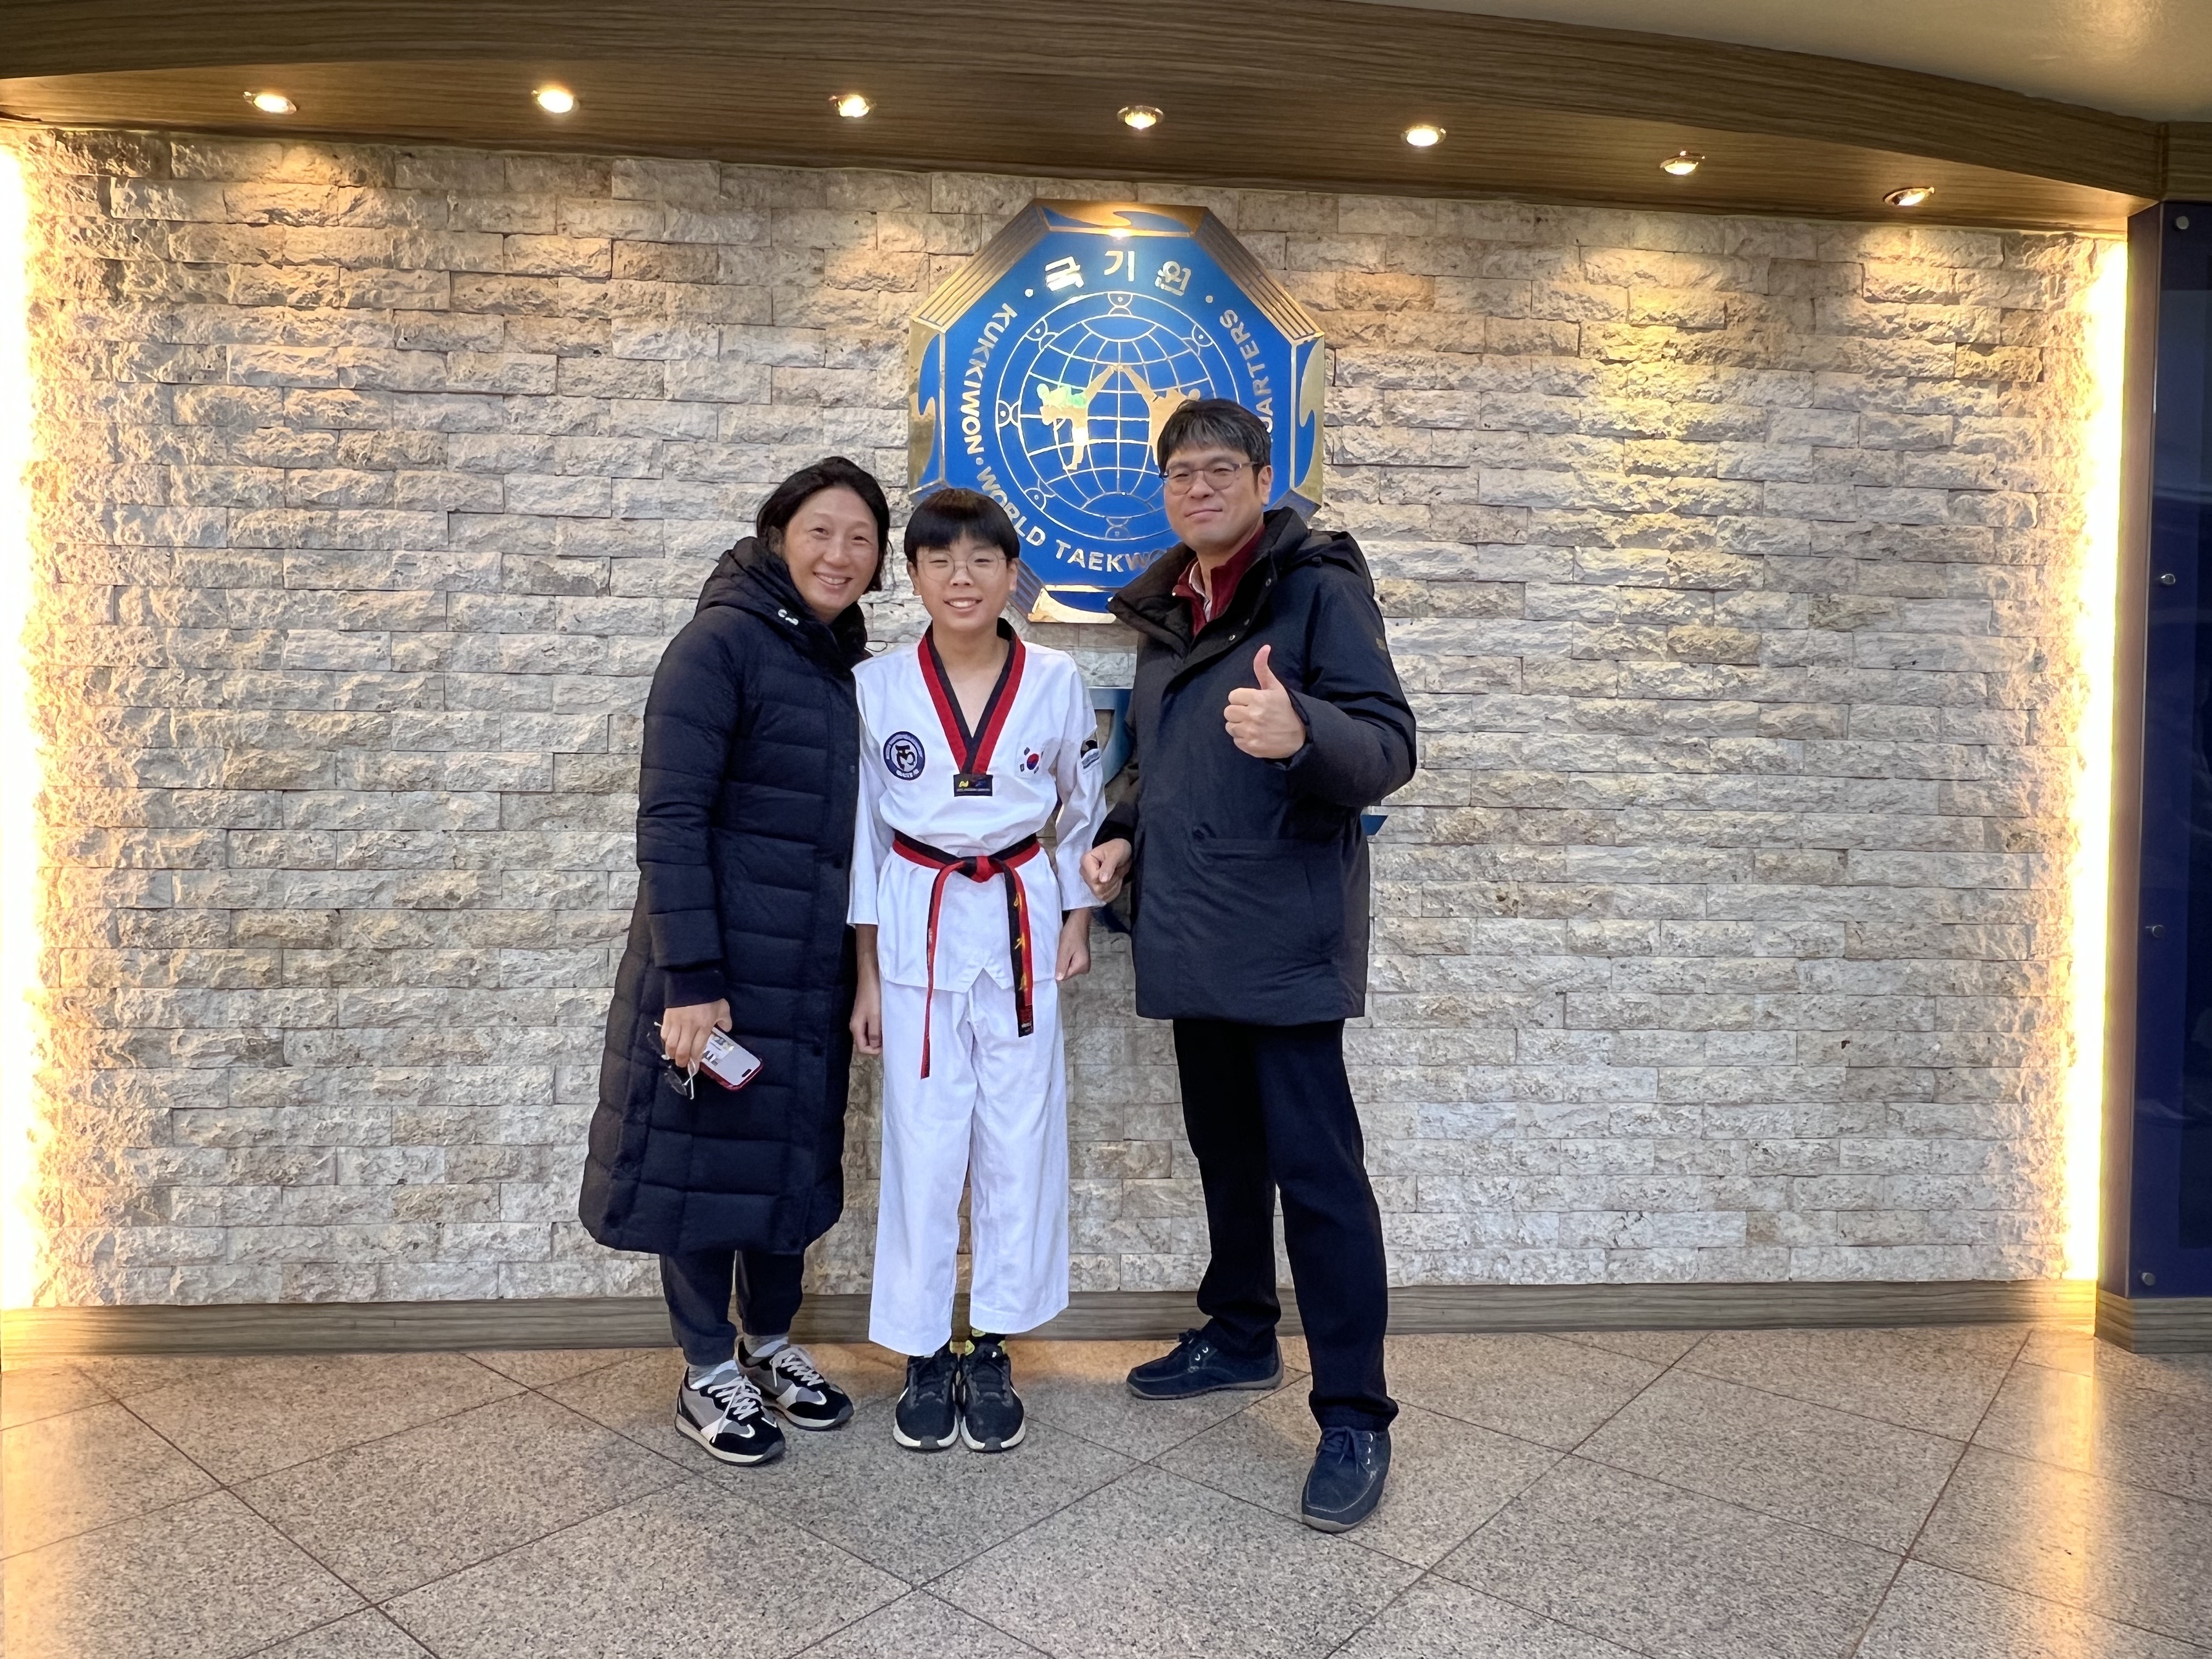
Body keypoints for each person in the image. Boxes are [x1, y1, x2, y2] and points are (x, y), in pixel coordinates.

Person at [1081, 399, 1416, 1531]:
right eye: (1181, 473)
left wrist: (1305, 731)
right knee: (1225, 1153)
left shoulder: (1317, 587)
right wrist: (1123, 830)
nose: (1200, 488)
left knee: (1318, 1179)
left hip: (1283, 937)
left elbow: (1389, 745)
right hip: (1190, 928)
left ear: (1264, 481)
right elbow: (1162, 762)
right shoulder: (1173, 608)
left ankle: (1355, 1413)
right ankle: (1239, 1333)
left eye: (1221, 469)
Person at [579, 456, 890, 1468]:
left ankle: (770, 1343)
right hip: (717, 971)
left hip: (805, 971)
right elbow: (671, 820)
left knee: (787, 1164)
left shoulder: (834, 661)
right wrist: (693, 981)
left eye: (861, 538)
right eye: (820, 531)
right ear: (776, 537)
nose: (840, 554)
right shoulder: (720, 644)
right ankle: (707, 1367)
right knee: (702, 1170)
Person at [848, 488, 1107, 1453]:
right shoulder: (876, 687)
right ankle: (923, 1347)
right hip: (916, 923)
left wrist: (1078, 917)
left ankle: (992, 1341)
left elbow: (1083, 810)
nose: (962, 579)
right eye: (940, 561)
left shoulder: (1055, 678)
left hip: (1021, 922)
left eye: (983, 561)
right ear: (912, 576)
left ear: (1011, 575)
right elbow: (864, 840)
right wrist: (866, 977)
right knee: (923, 1142)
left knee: (1018, 1135)